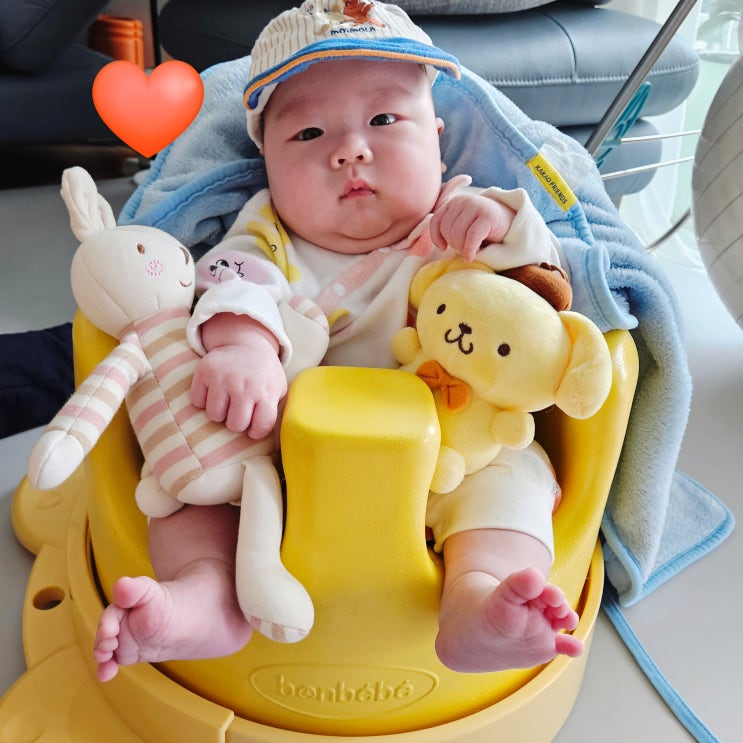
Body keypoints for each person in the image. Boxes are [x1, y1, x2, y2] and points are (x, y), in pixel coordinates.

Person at [94, 0, 584, 681]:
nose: (350, 150)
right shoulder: (268, 231)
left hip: (457, 454)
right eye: (308, 133)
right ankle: (203, 596)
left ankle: (480, 602)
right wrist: (244, 348)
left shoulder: (457, 221)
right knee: (193, 486)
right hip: (284, 466)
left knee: (510, 488)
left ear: (436, 139)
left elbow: (540, 296)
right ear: (265, 162)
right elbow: (231, 285)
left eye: (384, 120)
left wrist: (506, 224)